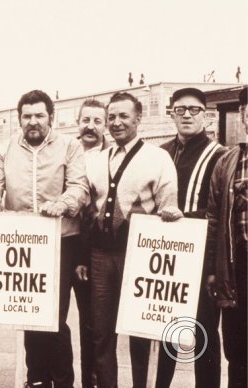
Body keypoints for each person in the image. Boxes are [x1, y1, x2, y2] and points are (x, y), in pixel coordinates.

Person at [0, 90, 89, 388]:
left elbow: (80, 186)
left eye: (39, 115)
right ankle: (35, 379)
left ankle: (62, 381)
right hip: (22, 241)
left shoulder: (70, 146)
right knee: (27, 310)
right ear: (19, 119)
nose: (33, 122)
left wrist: (63, 204)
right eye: (27, 116)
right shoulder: (5, 149)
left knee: (54, 316)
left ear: (51, 117)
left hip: (61, 239)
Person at [83, 92, 182, 388]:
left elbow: (169, 206)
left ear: (138, 118)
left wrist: (172, 214)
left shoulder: (158, 158)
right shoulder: (97, 160)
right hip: (101, 256)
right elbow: (88, 213)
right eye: (111, 117)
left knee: (140, 331)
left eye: (124, 116)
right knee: (101, 332)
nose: (116, 122)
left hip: (140, 256)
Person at [157, 87, 226, 388]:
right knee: (161, 328)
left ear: (207, 116)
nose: (186, 115)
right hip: (162, 257)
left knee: (203, 331)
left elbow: (221, 213)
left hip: (201, 258)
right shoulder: (160, 153)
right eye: (180, 109)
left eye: (194, 110)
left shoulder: (220, 156)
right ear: (171, 113)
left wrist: (213, 267)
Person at [206, 86, 248, 388]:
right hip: (238, 269)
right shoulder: (228, 162)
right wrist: (212, 270)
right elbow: (213, 220)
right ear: (243, 117)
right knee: (236, 349)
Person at [74, 98, 110, 388]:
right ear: (78, 122)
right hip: (62, 243)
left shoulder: (111, 158)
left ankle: (92, 381)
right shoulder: (66, 152)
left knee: (93, 323)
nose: (91, 126)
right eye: (86, 120)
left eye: (97, 121)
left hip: (92, 250)